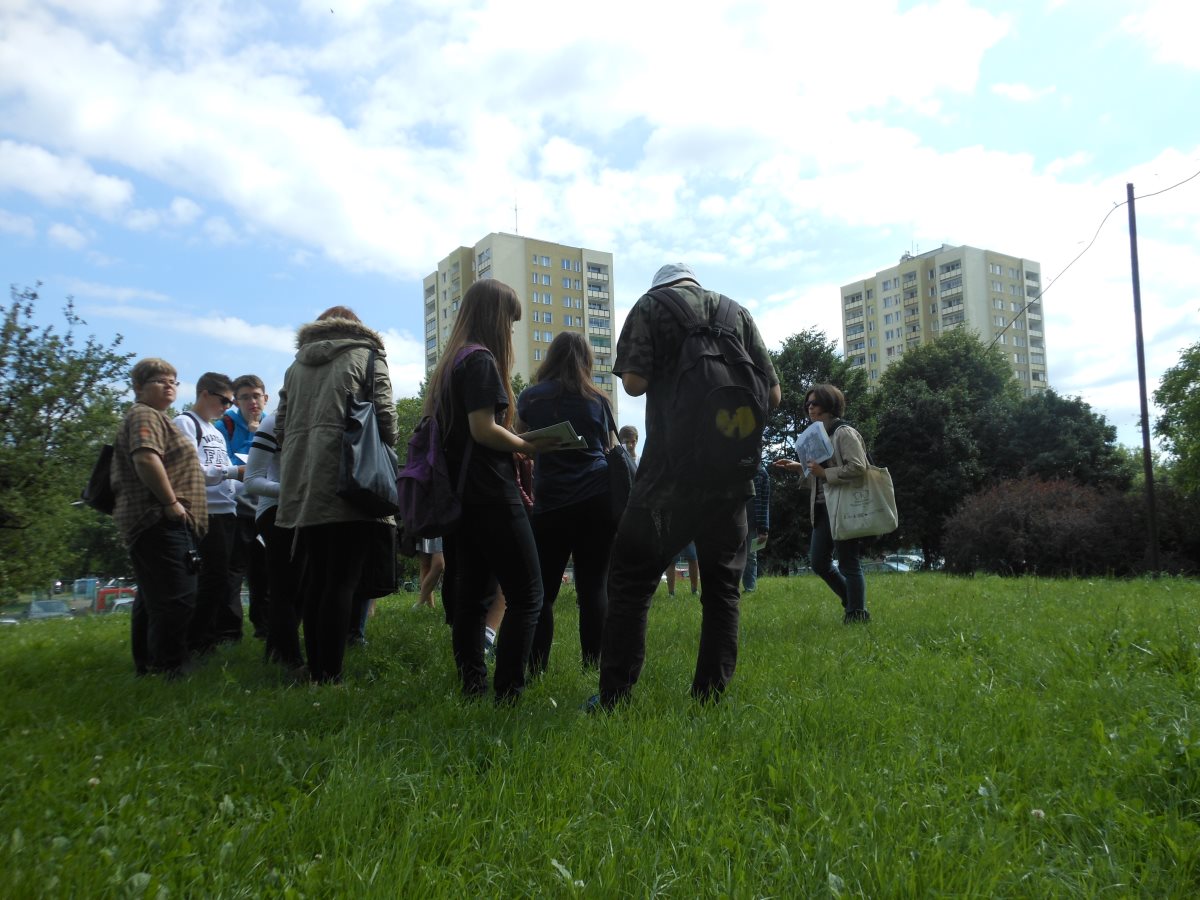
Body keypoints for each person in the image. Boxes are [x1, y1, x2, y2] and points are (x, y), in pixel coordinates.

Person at [593, 263, 780, 709]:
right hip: (731, 478)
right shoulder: (737, 313)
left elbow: (633, 383)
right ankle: (710, 697)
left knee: (631, 579)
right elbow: (773, 395)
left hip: (668, 479)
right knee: (723, 590)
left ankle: (615, 697)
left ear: (660, 284)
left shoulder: (651, 306)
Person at [423, 279, 555, 702]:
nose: (511, 331)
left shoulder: (452, 362)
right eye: (510, 322)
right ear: (495, 318)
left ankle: (473, 688)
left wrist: (511, 445)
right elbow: (483, 430)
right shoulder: (480, 360)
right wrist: (527, 446)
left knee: (471, 598)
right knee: (528, 595)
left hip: (462, 496)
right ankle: (509, 694)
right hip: (491, 493)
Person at [275, 306, 396, 684]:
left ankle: (315, 669)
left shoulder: (295, 366)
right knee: (343, 580)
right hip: (352, 480)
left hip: (304, 483)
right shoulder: (368, 355)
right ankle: (330, 675)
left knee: (317, 578)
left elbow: (280, 427)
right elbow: (387, 419)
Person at [517, 331, 617, 672]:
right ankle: (593, 664)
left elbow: (519, 440)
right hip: (598, 499)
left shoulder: (531, 397)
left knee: (543, 590)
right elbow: (609, 447)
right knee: (594, 587)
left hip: (552, 502)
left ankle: (537, 667)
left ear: (551, 357)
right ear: (587, 361)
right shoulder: (599, 400)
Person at [111, 359, 207, 677]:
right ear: (139, 387)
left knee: (154, 596)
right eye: (159, 380)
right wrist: (170, 503)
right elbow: (146, 458)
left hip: (158, 521)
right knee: (177, 596)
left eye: (173, 381)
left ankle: (149, 665)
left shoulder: (157, 417)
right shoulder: (144, 415)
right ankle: (171, 667)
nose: (169, 386)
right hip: (158, 519)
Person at [772, 384, 870, 623]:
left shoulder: (844, 433)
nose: (809, 408)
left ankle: (856, 613)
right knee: (818, 562)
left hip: (844, 506)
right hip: (822, 507)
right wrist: (800, 468)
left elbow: (859, 467)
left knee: (848, 562)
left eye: (814, 403)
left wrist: (824, 473)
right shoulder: (817, 434)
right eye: (807, 404)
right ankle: (852, 601)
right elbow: (819, 473)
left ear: (829, 404)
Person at [175, 372, 244, 655]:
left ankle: (207, 637)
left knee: (220, 580)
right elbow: (192, 471)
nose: (227, 407)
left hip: (226, 510)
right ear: (204, 393)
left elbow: (224, 472)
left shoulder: (214, 430)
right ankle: (196, 641)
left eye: (230, 403)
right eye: (225, 401)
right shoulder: (185, 423)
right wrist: (234, 471)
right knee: (208, 579)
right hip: (206, 511)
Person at [243, 409, 304, 674]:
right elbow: (252, 480)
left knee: (300, 587)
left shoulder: (324, 415)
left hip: (309, 511)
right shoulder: (274, 421)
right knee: (285, 587)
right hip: (275, 511)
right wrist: (294, 491)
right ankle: (290, 661)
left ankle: (276, 651)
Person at [221, 374, 270, 640]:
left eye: (256, 396)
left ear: (266, 398)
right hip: (236, 508)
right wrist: (253, 435)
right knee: (234, 571)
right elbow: (227, 465)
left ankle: (264, 627)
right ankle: (230, 632)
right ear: (235, 401)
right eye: (245, 397)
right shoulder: (224, 426)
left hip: (266, 507)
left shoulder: (274, 424)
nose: (252, 402)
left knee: (264, 571)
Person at [742, 464, 771, 592]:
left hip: (754, 523)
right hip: (735, 521)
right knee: (732, 555)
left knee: (751, 557)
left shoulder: (762, 473)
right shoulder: (735, 469)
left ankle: (750, 588)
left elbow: (765, 503)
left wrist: (764, 529)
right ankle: (731, 588)